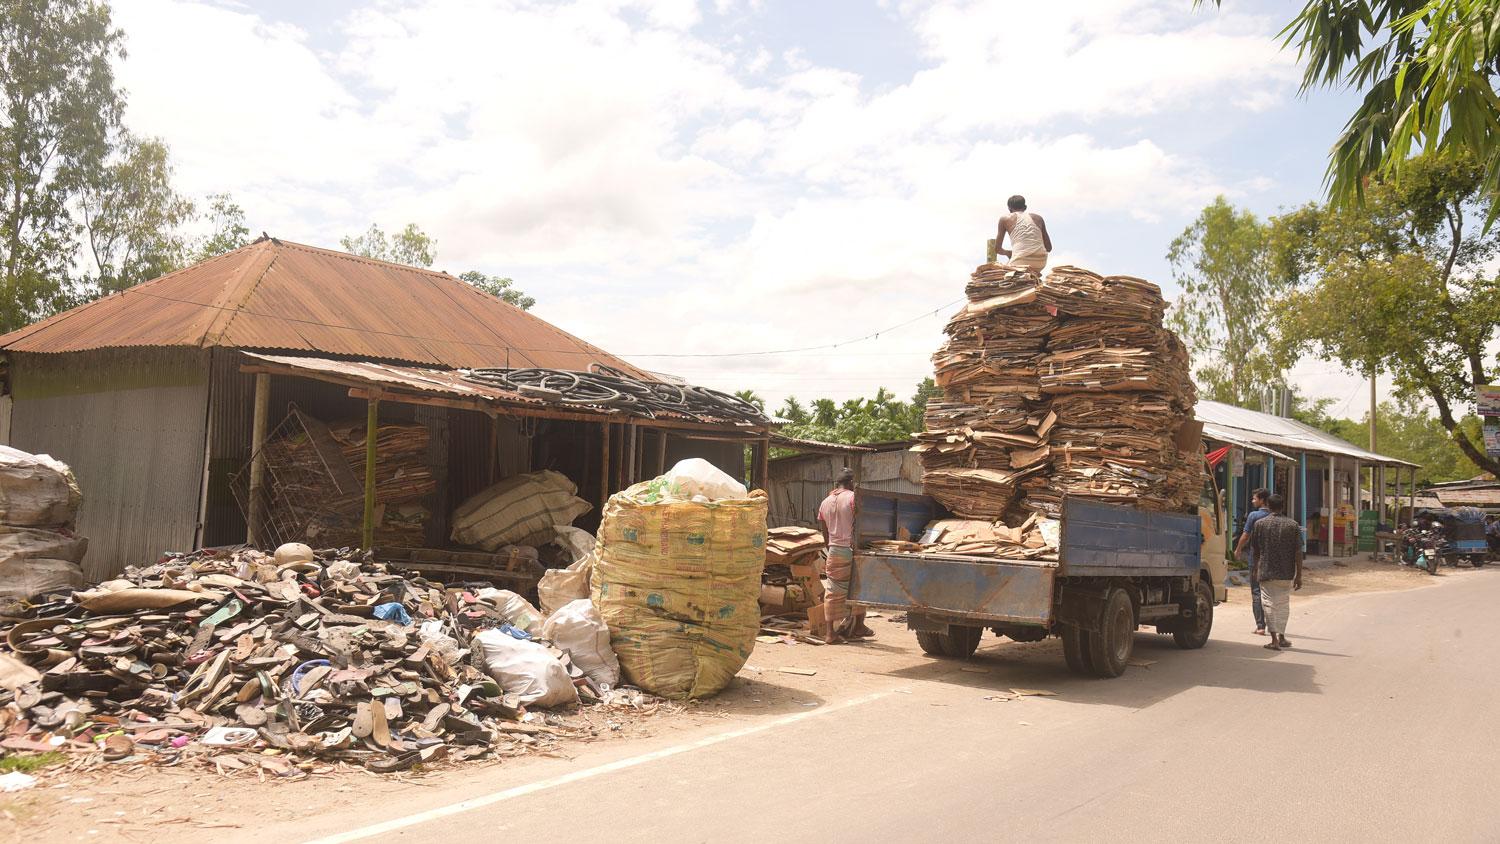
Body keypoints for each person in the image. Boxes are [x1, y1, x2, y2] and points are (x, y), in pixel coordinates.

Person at [817, 467, 871, 643]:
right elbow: (860, 523)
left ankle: (833, 632)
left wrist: (830, 548)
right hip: (851, 550)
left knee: (833, 591)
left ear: (837, 483)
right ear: (851, 483)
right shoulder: (853, 497)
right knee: (860, 588)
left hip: (834, 551)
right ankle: (856, 627)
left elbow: (824, 530)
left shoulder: (825, 502)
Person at [1247, 493, 1303, 651]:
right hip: (1286, 572)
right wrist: (1299, 575)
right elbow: (1299, 551)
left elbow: (1255, 550)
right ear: (1283, 506)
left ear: (1268, 506)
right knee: (1283, 604)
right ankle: (1282, 637)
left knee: (1269, 604)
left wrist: (1256, 568)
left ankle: (1274, 640)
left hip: (1266, 571)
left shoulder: (1260, 524)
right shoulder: (1292, 525)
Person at [1233, 488, 1272, 635]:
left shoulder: (1254, 515)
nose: (1252, 501)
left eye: (1254, 498)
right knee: (1269, 593)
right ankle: (1272, 626)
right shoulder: (1275, 516)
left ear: (1262, 500)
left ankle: (1260, 626)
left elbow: (1245, 535)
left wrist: (1237, 549)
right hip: (1271, 561)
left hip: (1255, 560)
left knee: (1256, 592)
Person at [995, 195, 1052, 271]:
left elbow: (997, 249)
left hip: (1020, 260)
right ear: (1025, 207)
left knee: (1003, 275)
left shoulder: (1004, 219)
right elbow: (1048, 248)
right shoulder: (1038, 218)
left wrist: (1008, 253)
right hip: (1041, 261)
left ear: (1009, 209)